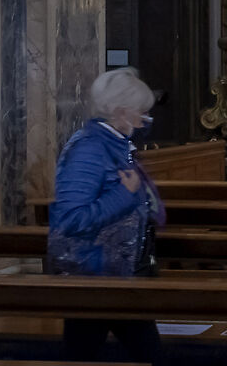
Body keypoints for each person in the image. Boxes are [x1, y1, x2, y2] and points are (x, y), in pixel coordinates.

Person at [46, 68, 165, 360]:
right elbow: (72, 220)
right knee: (135, 351)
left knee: (86, 349)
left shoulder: (114, 143)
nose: (144, 120)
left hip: (115, 273)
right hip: (94, 274)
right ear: (120, 112)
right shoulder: (88, 149)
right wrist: (123, 196)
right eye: (141, 112)